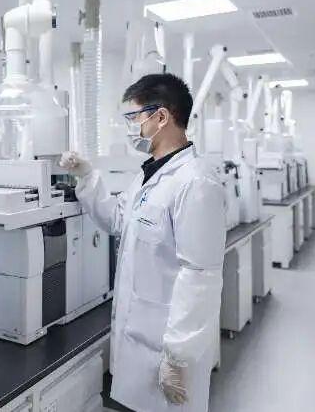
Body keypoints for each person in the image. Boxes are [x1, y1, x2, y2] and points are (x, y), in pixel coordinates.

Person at [60, 73, 225, 412]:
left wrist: (178, 356)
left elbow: (200, 277)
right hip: (139, 339)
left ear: (161, 117)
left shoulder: (195, 182)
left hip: (169, 350)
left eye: (133, 117)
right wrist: (87, 177)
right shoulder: (147, 175)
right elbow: (118, 219)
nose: (130, 128)